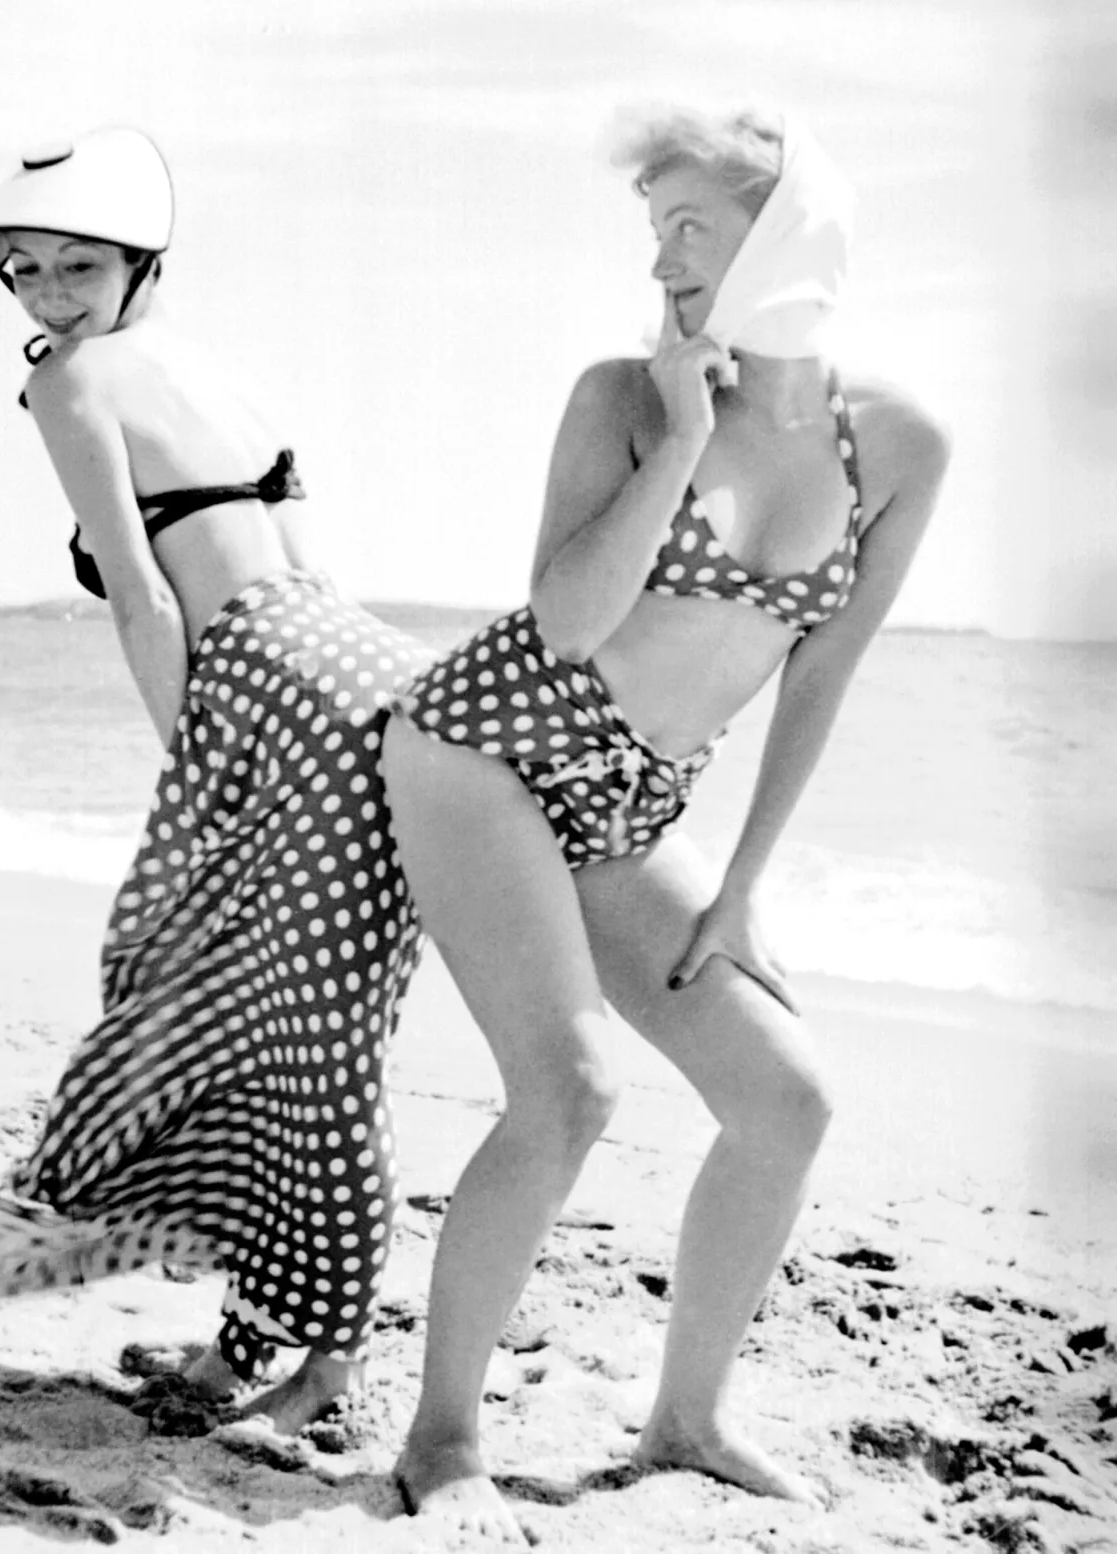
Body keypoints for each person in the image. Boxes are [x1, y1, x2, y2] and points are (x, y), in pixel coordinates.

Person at [380, 106, 950, 1539]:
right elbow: (567, 624)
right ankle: (442, 1437)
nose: (663, 266)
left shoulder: (897, 443)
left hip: (634, 800)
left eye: (690, 228)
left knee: (787, 1097)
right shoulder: (620, 399)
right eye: (656, 235)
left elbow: (824, 673)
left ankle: (686, 1418)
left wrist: (743, 887)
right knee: (569, 1090)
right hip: (482, 751)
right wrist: (682, 429)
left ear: (788, 236)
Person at [0, 127, 431, 1431]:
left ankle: (324, 1359)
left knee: (283, 1042)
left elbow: (144, 600)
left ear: (138, 258)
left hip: (273, 696)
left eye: (74, 267)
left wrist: (203, 765)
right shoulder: (202, 366)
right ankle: (260, 1341)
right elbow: (303, 563)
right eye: (26, 272)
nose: (46, 296)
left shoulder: (73, 382)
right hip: (364, 667)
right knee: (307, 1035)